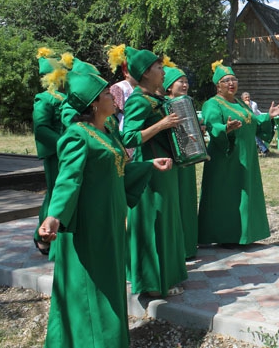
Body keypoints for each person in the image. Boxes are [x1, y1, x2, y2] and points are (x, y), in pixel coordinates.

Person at [38, 71, 172, 347]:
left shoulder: (106, 132)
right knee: (91, 285)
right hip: (91, 224)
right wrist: (54, 216)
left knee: (109, 283)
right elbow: (68, 180)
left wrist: (147, 165)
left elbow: (114, 171)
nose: (114, 97)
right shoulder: (77, 135)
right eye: (107, 94)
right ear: (94, 104)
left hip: (111, 220)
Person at [119, 46, 187, 297]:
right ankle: (151, 283)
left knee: (166, 222)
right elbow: (128, 137)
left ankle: (166, 276)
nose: (164, 71)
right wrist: (162, 125)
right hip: (151, 170)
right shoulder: (138, 100)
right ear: (146, 73)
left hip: (166, 168)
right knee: (152, 222)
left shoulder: (157, 100)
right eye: (159, 67)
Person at [198, 61, 279, 245]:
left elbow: (253, 123)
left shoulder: (239, 103)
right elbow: (212, 126)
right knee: (227, 195)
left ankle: (244, 234)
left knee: (245, 194)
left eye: (234, 79)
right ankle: (225, 236)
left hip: (246, 157)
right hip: (226, 158)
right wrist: (226, 128)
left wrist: (267, 116)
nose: (231, 83)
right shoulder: (212, 104)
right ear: (218, 86)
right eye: (226, 80)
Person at [31, 49, 66, 255]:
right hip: (57, 154)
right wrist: (64, 144)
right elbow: (41, 128)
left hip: (71, 152)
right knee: (55, 194)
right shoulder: (44, 99)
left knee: (59, 194)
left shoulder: (67, 97)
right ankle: (41, 236)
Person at [163, 65, 198, 259]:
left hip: (188, 157)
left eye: (186, 81)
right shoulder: (163, 105)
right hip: (171, 158)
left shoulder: (187, 102)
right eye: (180, 82)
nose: (185, 85)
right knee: (175, 201)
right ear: (169, 86)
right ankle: (177, 249)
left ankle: (189, 245)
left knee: (187, 199)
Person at [241, 91, 270, 156]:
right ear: (242, 99)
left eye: (248, 97)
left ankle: (264, 149)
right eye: (246, 98)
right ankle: (260, 149)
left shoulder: (253, 104)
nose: (247, 99)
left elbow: (252, 114)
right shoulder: (240, 104)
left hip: (258, 121)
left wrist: (248, 105)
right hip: (248, 123)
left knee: (254, 134)